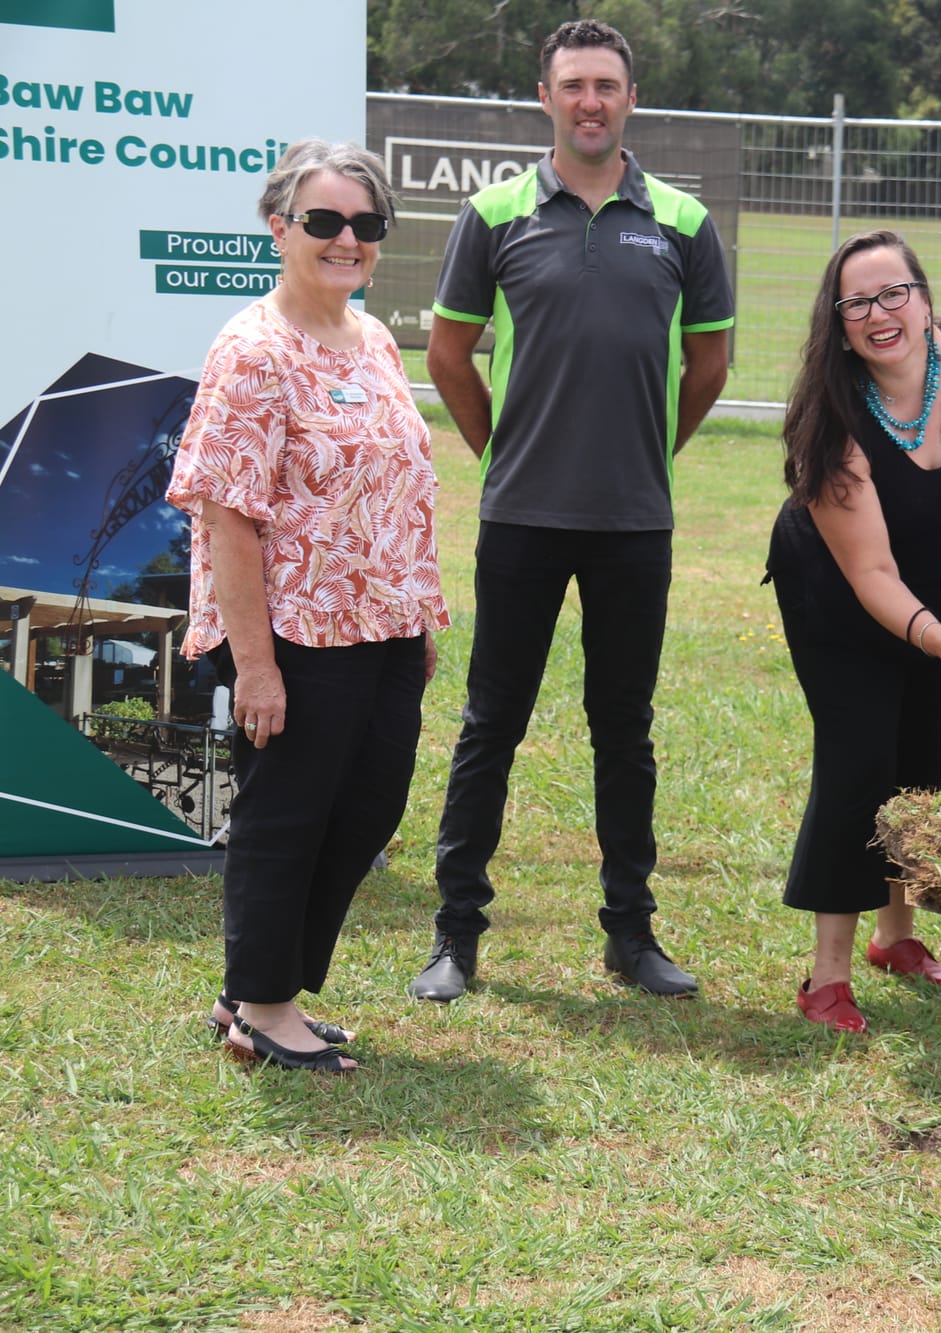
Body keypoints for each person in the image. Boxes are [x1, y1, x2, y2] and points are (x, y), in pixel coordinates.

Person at [409, 18, 733, 1003]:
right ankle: (455, 937)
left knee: (621, 728)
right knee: (488, 725)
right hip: (521, 519)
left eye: (606, 85)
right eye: (572, 85)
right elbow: (448, 353)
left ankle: (630, 935)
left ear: (629, 99)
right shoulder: (494, 212)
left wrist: (644, 451)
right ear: (546, 99)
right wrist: (503, 453)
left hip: (634, 523)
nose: (590, 101)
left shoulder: (680, 220)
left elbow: (708, 363)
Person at [167, 140, 449, 1072]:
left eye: (366, 225)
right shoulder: (252, 352)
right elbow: (229, 518)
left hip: (383, 629)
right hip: (294, 635)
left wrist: (414, 616)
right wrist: (255, 665)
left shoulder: (371, 337)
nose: (347, 240)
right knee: (288, 814)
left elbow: (394, 487)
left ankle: (257, 982)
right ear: (280, 227)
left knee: (366, 809)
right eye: (325, 221)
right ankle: (262, 1005)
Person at [766, 231, 941, 1034]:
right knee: (860, 755)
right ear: (840, 322)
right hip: (842, 588)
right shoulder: (829, 416)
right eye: (857, 302)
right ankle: (825, 977)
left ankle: (899, 937)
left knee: (929, 751)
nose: (879, 314)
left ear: (924, 297)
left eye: (895, 292)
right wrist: (935, 637)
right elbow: (871, 577)